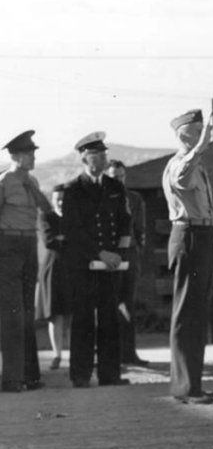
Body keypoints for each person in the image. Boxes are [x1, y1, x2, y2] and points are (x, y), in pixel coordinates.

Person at [62, 132, 132, 388]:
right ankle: (80, 375)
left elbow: (124, 222)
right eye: (96, 155)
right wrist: (100, 253)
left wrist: (120, 254)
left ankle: (109, 374)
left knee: (109, 317)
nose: (102, 158)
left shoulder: (115, 187)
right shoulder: (73, 189)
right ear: (84, 158)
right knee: (83, 318)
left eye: (104, 154)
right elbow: (73, 230)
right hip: (84, 264)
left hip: (111, 264)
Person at [163, 110, 213, 404]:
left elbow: (203, 209)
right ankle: (185, 388)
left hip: (202, 235)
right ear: (184, 134)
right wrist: (198, 149)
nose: (204, 136)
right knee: (187, 314)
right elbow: (183, 178)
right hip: (189, 236)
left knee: (197, 314)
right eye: (198, 131)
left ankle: (191, 384)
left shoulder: (196, 163)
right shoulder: (180, 164)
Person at [0, 130, 52, 391]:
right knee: (12, 313)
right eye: (28, 153)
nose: (33, 157)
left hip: (30, 244)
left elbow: (47, 208)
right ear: (15, 156)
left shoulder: (32, 181)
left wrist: (32, 187)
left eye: (33, 153)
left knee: (27, 312)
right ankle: (11, 379)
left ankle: (30, 376)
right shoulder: (4, 182)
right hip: (8, 245)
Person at [106, 159, 149, 367]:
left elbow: (140, 229)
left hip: (130, 254)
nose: (118, 180)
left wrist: (136, 253)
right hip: (109, 256)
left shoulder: (134, 198)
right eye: (114, 177)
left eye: (121, 177)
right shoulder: (102, 197)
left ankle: (129, 354)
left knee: (128, 304)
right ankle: (109, 355)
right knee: (109, 304)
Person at [36, 185, 70, 370]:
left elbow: (80, 240)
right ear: (52, 199)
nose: (61, 202)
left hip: (73, 269)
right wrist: (65, 239)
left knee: (73, 313)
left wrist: (63, 238)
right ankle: (57, 355)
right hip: (53, 270)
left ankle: (75, 354)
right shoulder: (46, 217)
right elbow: (49, 241)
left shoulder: (75, 217)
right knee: (55, 314)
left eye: (64, 199)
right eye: (58, 199)